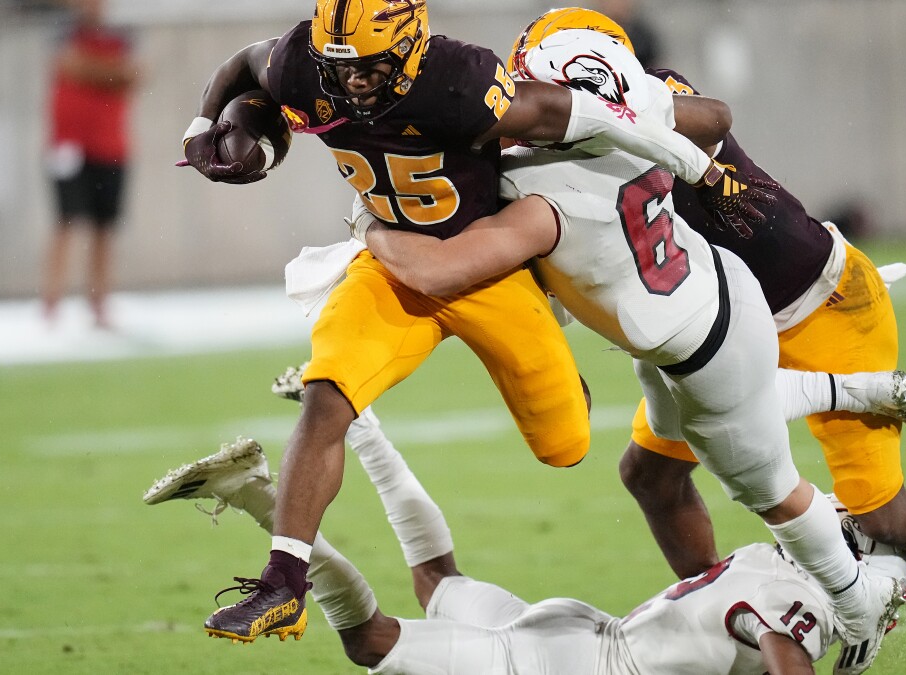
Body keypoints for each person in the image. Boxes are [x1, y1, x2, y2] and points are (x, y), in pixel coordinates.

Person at [179, 0, 782, 647]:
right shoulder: (306, 63)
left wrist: (699, 161)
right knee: (328, 395)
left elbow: (565, 113)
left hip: (483, 269)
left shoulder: (460, 81)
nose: (351, 81)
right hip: (390, 270)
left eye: (370, 66)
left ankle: (557, 356)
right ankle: (283, 581)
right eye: (339, 65)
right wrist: (199, 127)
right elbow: (244, 64)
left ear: (409, 48)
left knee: (565, 443)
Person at [349, 24, 906, 674]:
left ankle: (860, 596)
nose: (517, 98)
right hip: (707, 300)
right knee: (650, 472)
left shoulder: (544, 200)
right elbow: (712, 116)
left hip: (705, 346)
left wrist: (368, 219)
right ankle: (774, 582)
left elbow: (440, 271)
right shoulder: (630, 112)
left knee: (774, 489)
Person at [507, 10, 906, 674]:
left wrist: (617, 109)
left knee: (880, 512)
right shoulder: (565, 137)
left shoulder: (650, 98)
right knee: (651, 475)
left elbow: (707, 117)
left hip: (820, 305)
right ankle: (735, 606)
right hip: (724, 325)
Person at [144, 391, 906, 674]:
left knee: (436, 581)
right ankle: (249, 492)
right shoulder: (799, 599)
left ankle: (366, 426)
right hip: (576, 660)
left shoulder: (765, 560)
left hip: (583, 627)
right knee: (370, 641)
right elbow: (785, 650)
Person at [41, 0, 138, 329]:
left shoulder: (122, 31)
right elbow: (72, 66)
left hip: (110, 146)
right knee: (65, 222)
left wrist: (94, 70)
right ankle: (51, 302)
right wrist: (108, 72)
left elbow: (132, 74)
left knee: (103, 227)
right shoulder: (64, 30)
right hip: (70, 145)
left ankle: (98, 303)